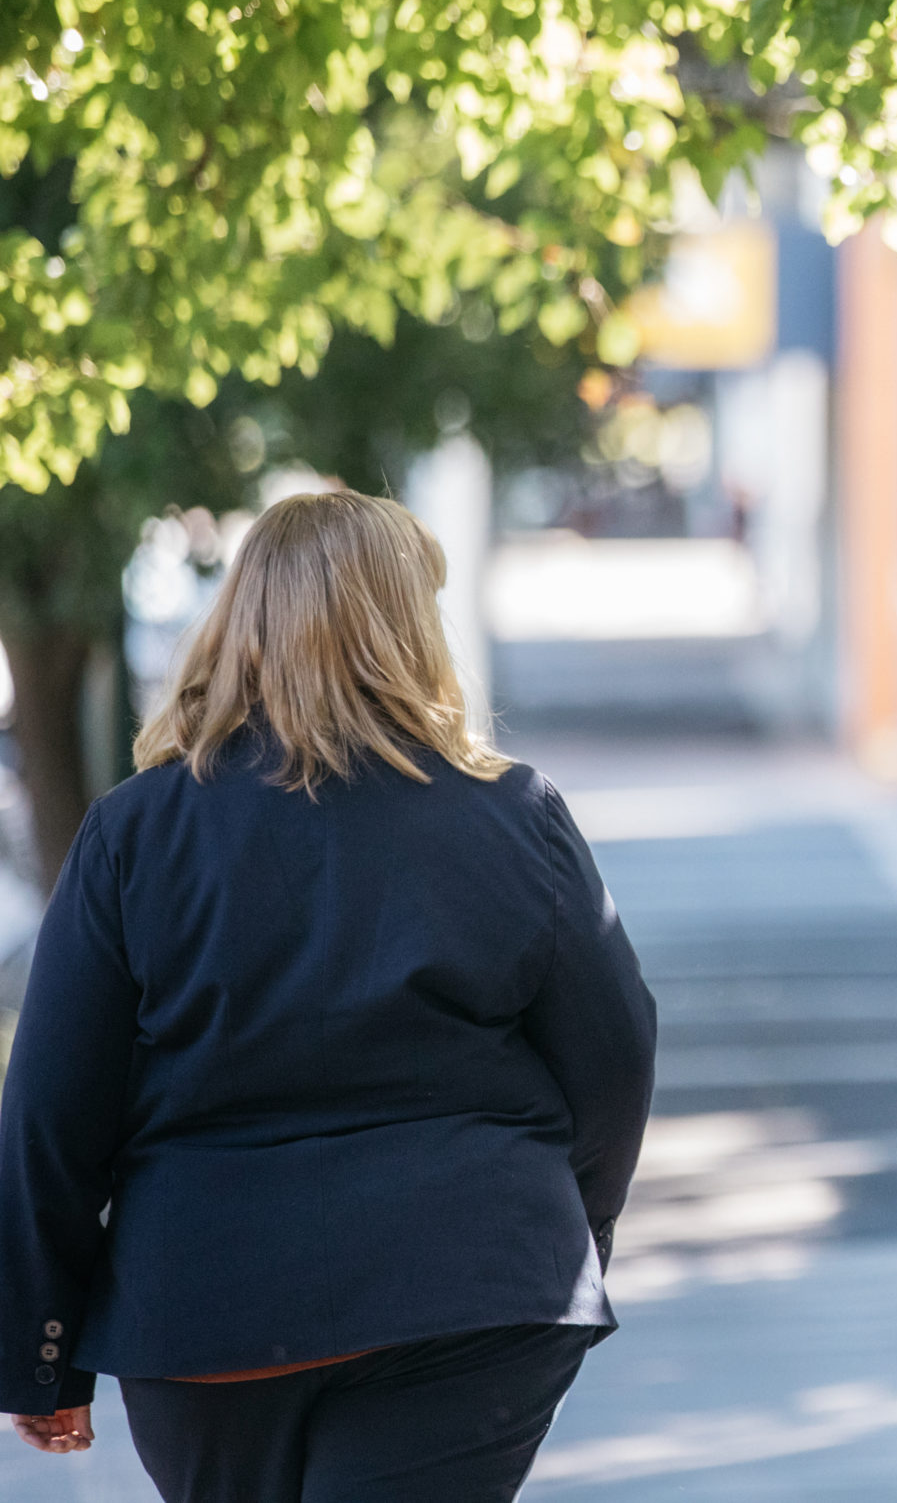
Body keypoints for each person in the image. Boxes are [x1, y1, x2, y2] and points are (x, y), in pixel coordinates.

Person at [0, 491, 656, 1502]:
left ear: (243, 623)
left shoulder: (135, 835)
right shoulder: (515, 815)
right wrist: (569, 1226)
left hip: (209, 1313)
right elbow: (615, 1056)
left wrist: (42, 1350)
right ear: (411, 627)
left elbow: (51, 1110)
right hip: (468, 1292)